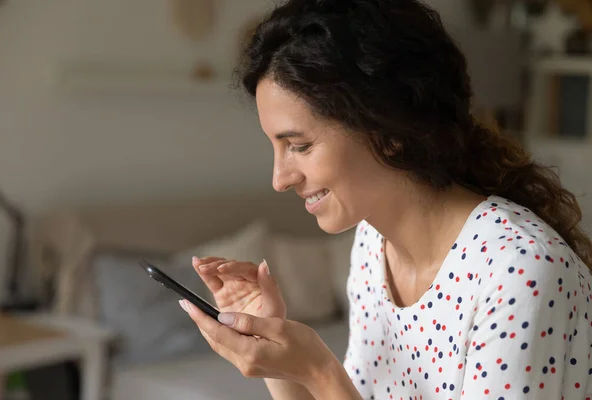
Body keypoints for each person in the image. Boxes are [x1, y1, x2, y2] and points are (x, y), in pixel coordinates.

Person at [177, 0, 592, 398]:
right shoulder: (373, 245)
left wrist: (319, 371)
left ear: (388, 132)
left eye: (299, 146)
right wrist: (280, 359)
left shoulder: (518, 270)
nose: (279, 179)